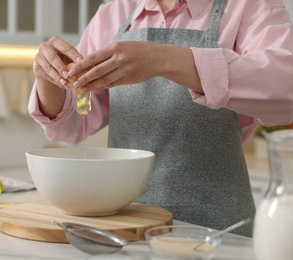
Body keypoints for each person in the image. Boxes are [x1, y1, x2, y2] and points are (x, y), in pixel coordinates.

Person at [29, 0, 293, 237]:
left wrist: (162, 59)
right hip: (125, 226)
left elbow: (285, 88)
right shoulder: (113, 13)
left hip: (217, 230)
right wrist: (49, 79)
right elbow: (71, 127)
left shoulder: (249, 6)